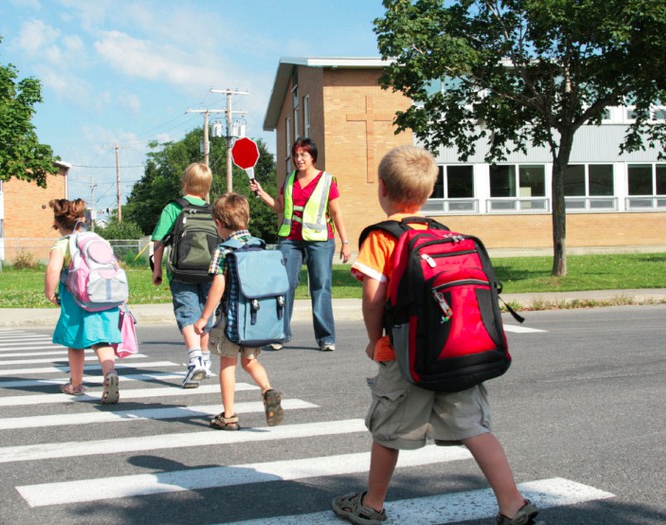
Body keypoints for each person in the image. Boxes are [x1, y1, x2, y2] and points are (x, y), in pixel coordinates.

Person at [332, 146, 545, 525]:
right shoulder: (443, 235)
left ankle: (372, 504)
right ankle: (513, 504)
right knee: (475, 429)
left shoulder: (381, 238)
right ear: (428, 194)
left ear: (381, 188)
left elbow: (372, 299)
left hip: (404, 354)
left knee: (387, 431)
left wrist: (373, 339)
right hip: (455, 350)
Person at [249, 137, 351, 352]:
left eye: (303, 154)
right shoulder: (288, 180)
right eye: (296, 155)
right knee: (284, 286)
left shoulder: (326, 180)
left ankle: (326, 338)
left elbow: (336, 212)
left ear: (313, 157)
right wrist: (261, 192)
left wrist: (346, 242)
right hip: (290, 239)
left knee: (320, 286)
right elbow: (279, 207)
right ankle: (279, 334)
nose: (299, 158)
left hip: (320, 241)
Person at [194, 192, 283, 431]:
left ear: (219, 223)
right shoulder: (260, 245)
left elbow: (218, 286)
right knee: (250, 361)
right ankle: (267, 389)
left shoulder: (224, 251)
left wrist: (204, 317)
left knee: (228, 364)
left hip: (231, 320)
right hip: (255, 318)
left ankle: (230, 415)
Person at [44, 198, 120, 404]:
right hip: (103, 297)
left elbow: (53, 269)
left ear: (58, 224)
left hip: (76, 298)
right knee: (102, 341)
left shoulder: (62, 244)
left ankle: (76, 385)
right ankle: (110, 372)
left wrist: (49, 292)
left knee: (75, 342)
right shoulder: (96, 239)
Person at [151, 162, 215, 388]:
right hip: (210, 272)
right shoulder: (213, 210)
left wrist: (157, 269)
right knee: (205, 315)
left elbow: (159, 240)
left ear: (184, 183)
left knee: (187, 313)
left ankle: (195, 359)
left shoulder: (173, 208)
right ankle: (205, 360)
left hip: (181, 271)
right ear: (207, 188)